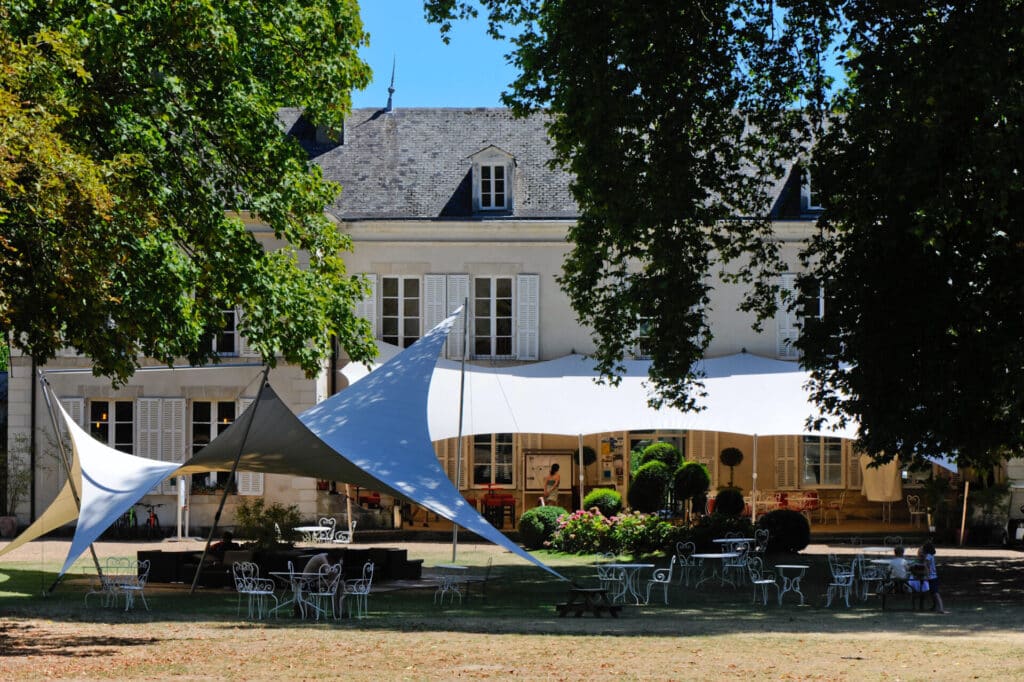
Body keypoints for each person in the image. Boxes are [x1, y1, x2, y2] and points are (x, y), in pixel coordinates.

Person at [918, 540, 949, 614]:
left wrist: (927, 575)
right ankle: (935, 606)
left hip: (932, 577)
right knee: (932, 593)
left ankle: (941, 608)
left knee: (935, 593)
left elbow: (926, 566)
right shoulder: (931, 556)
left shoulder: (928, 556)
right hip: (934, 576)